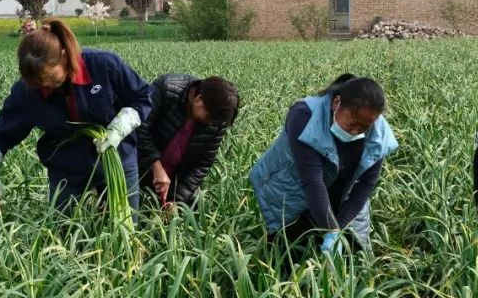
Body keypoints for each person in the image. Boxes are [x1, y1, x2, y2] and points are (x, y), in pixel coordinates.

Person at [0, 18, 154, 216]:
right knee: (64, 231)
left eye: (49, 77)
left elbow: (142, 96)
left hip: (118, 162)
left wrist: (119, 128)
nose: (45, 85)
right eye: (38, 82)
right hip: (67, 169)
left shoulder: (103, 65)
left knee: (125, 225)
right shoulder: (28, 92)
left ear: (64, 56)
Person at [249, 74, 397, 257]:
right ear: (336, 103)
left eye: (364, 127)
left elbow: (365, 186)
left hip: (342, 195)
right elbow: (312, 180)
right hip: (294, 189)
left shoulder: (379, 134)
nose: (356, 131)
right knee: (288, 254)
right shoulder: (305, 116)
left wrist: (338, 229)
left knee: (349, 256)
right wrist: (332, 231)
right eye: (353, 123)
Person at [135, 74, 239, 209]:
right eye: (209, 117)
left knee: (192, 207)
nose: (210, 123)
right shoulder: (167, 89)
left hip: (173, 179)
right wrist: (156, 167)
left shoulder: (217, 120)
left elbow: (201, 164)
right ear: (199, 98)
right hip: (140, 166)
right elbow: (140, 129)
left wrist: (176, 201)